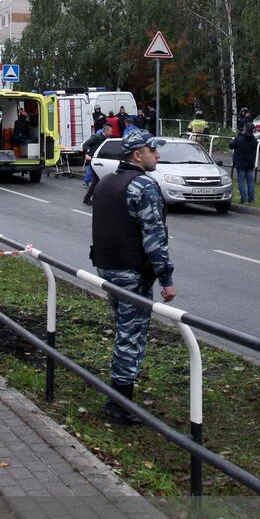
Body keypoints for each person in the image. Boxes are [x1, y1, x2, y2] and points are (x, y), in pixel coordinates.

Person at [90, 129, 176, 425]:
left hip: (106, 267)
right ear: (138, 155)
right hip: (132, 272)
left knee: (124, 329)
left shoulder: (105, 182)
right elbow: (155, 238)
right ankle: (120, 404)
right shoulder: (144, 187)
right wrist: (166, 279)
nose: (158, 155)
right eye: (153, 150)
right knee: (131, 336)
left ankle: (120, 397)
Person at [79, 121, 108, 206]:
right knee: (96, 181)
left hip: (101, 161)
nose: (112, 133)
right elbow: (85, 145)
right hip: (96, 161)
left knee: (96, 182)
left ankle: (88, 198)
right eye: (110, 131)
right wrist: (86, 154)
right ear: (106, 131)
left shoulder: (106, 139)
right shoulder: (97, 137)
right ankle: (89, 198)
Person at [230, 122, 258, 204]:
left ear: (245, 128)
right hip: (250, 163)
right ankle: (251, 199)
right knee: (250, 181)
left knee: (241, 181)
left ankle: (244, 199)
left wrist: (239, 135)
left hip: (240, 162)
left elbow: (231, 145)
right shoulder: (254, 140)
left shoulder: (239, 139)